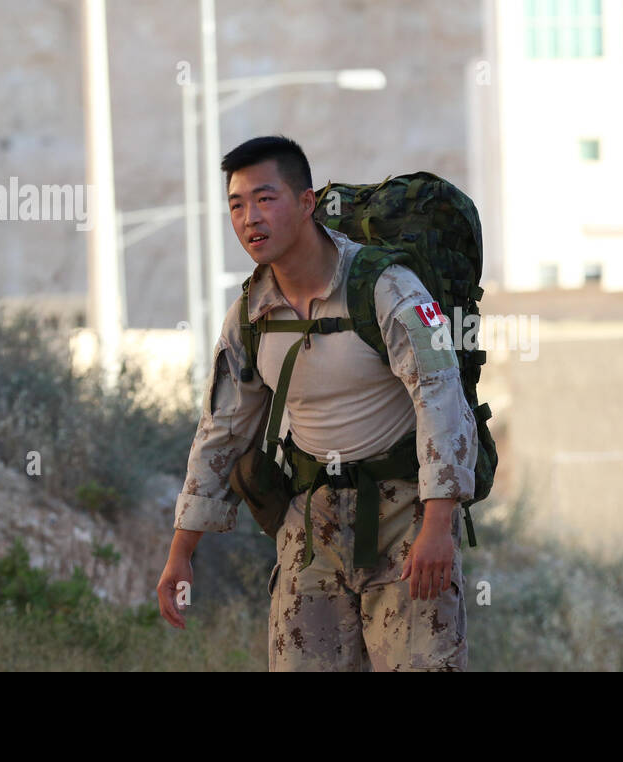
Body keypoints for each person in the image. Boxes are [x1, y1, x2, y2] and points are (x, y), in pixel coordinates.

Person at [156, 136, 476, 671]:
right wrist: (181, 551)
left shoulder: (389, 288)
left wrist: (438, 525)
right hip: (310, 527)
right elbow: (221, 430)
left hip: (404, 519)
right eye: (236, 204)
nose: (250, 218)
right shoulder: (250, 315)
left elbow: (442, 396)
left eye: (265, 198)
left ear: (306, 203)